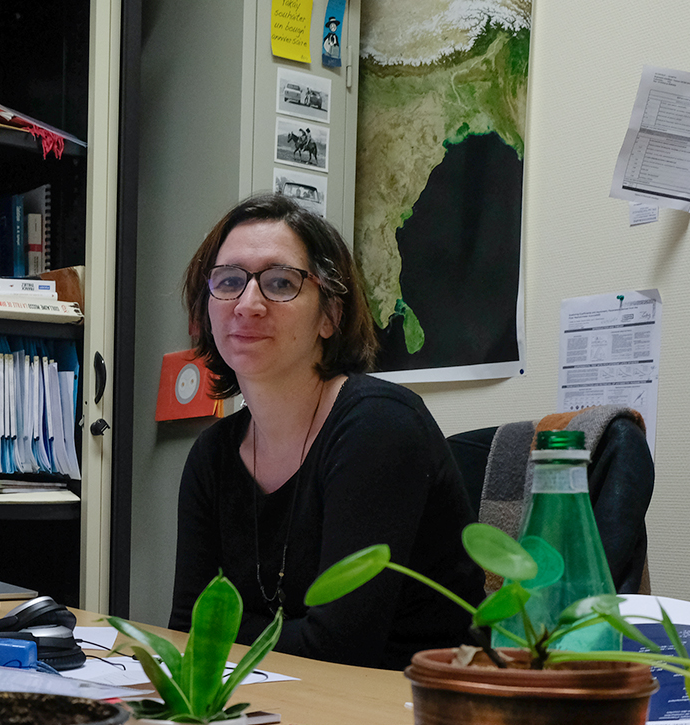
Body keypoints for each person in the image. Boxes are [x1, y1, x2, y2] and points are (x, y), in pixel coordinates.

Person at [168, 193, 483, 670]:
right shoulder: (213, 454)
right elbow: (186, 630)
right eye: (229, 281)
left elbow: (339, 647)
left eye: (279, 283)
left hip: (404, 715)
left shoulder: (379, 426)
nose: (248, 304)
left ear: (330, 316)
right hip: (285, 706)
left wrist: (234, 630)